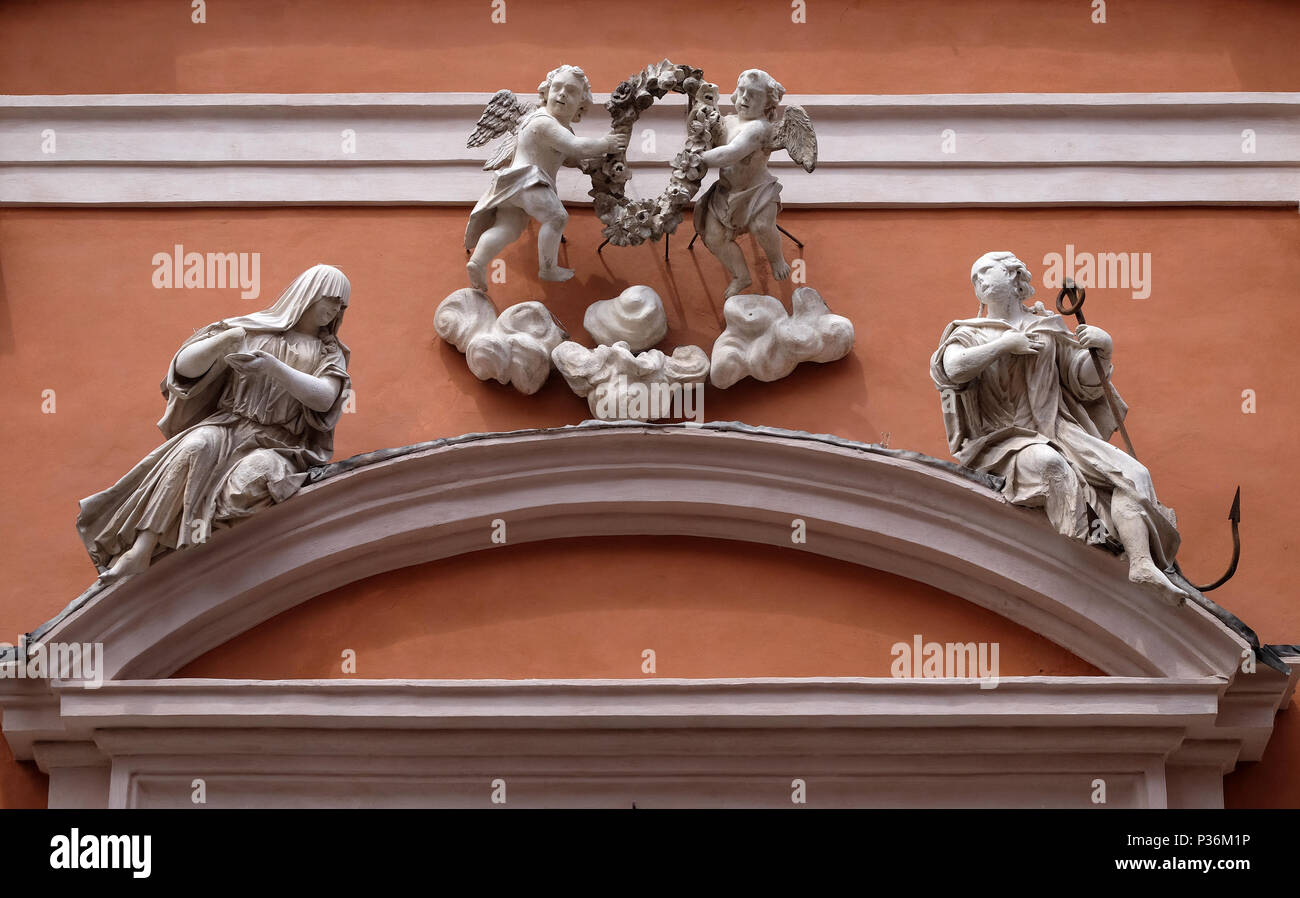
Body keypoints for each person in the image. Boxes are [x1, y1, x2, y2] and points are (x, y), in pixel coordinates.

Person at [930, 251, 1185, 604]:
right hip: (1004, 439)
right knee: (1052, 466)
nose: (979, 281)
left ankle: (1141, 562)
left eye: (987, 271)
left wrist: (1104, 352)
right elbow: (952, 370)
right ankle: (1090, 544)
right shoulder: (969, 334)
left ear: (1014, 275)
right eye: (974, 277)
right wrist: (1004, 345)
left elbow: (1083, 382)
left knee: (1133, 474)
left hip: (1059, 428)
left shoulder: (1047, 326)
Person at [77, 263, 352, 583]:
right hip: (228, 427)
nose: (334, 310)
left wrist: (272, 367)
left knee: (251, 481)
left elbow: (324, 398)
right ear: (308, 295)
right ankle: (143, 546)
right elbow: (184, 370)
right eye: (330, 299)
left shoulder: (328, 352)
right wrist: (225, 342)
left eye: (341, 306)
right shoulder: (252, 331)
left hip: (280, 445)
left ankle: (204, 550)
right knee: (195, 445)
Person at [465, 65, 627, 291]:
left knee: (508, 229)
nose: (562, 94)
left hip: (512, 188)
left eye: (570, 91)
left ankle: (478, 262)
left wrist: (596, 163)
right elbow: (575, 147)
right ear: (545, 93)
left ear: (581, 103)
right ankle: (548, 268)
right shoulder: (542, 121)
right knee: (557, 217)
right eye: (557, 88)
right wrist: (605, 144)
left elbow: (569, 156)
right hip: (527, 180)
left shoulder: (561, 129)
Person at [694, 69, 790, 299]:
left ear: (767, 104)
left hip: (756, 192)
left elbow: (730, 154)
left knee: (762, 227)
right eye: (742, 91)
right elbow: (711, 141)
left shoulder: (759, 128)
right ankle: (741, 276)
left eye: (754, 95)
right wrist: (700, 132)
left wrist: (697, 158)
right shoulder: (727, 121)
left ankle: (777, 258)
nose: (745, 97)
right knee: (714, 238)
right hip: (726, 192)